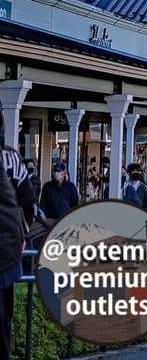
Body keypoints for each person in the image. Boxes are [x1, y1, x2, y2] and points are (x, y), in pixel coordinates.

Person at [1, 146, 34, 360]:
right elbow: (28, 200)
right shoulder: (11, 156)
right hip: (9, 246)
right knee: (4, 318)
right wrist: (23, 232)